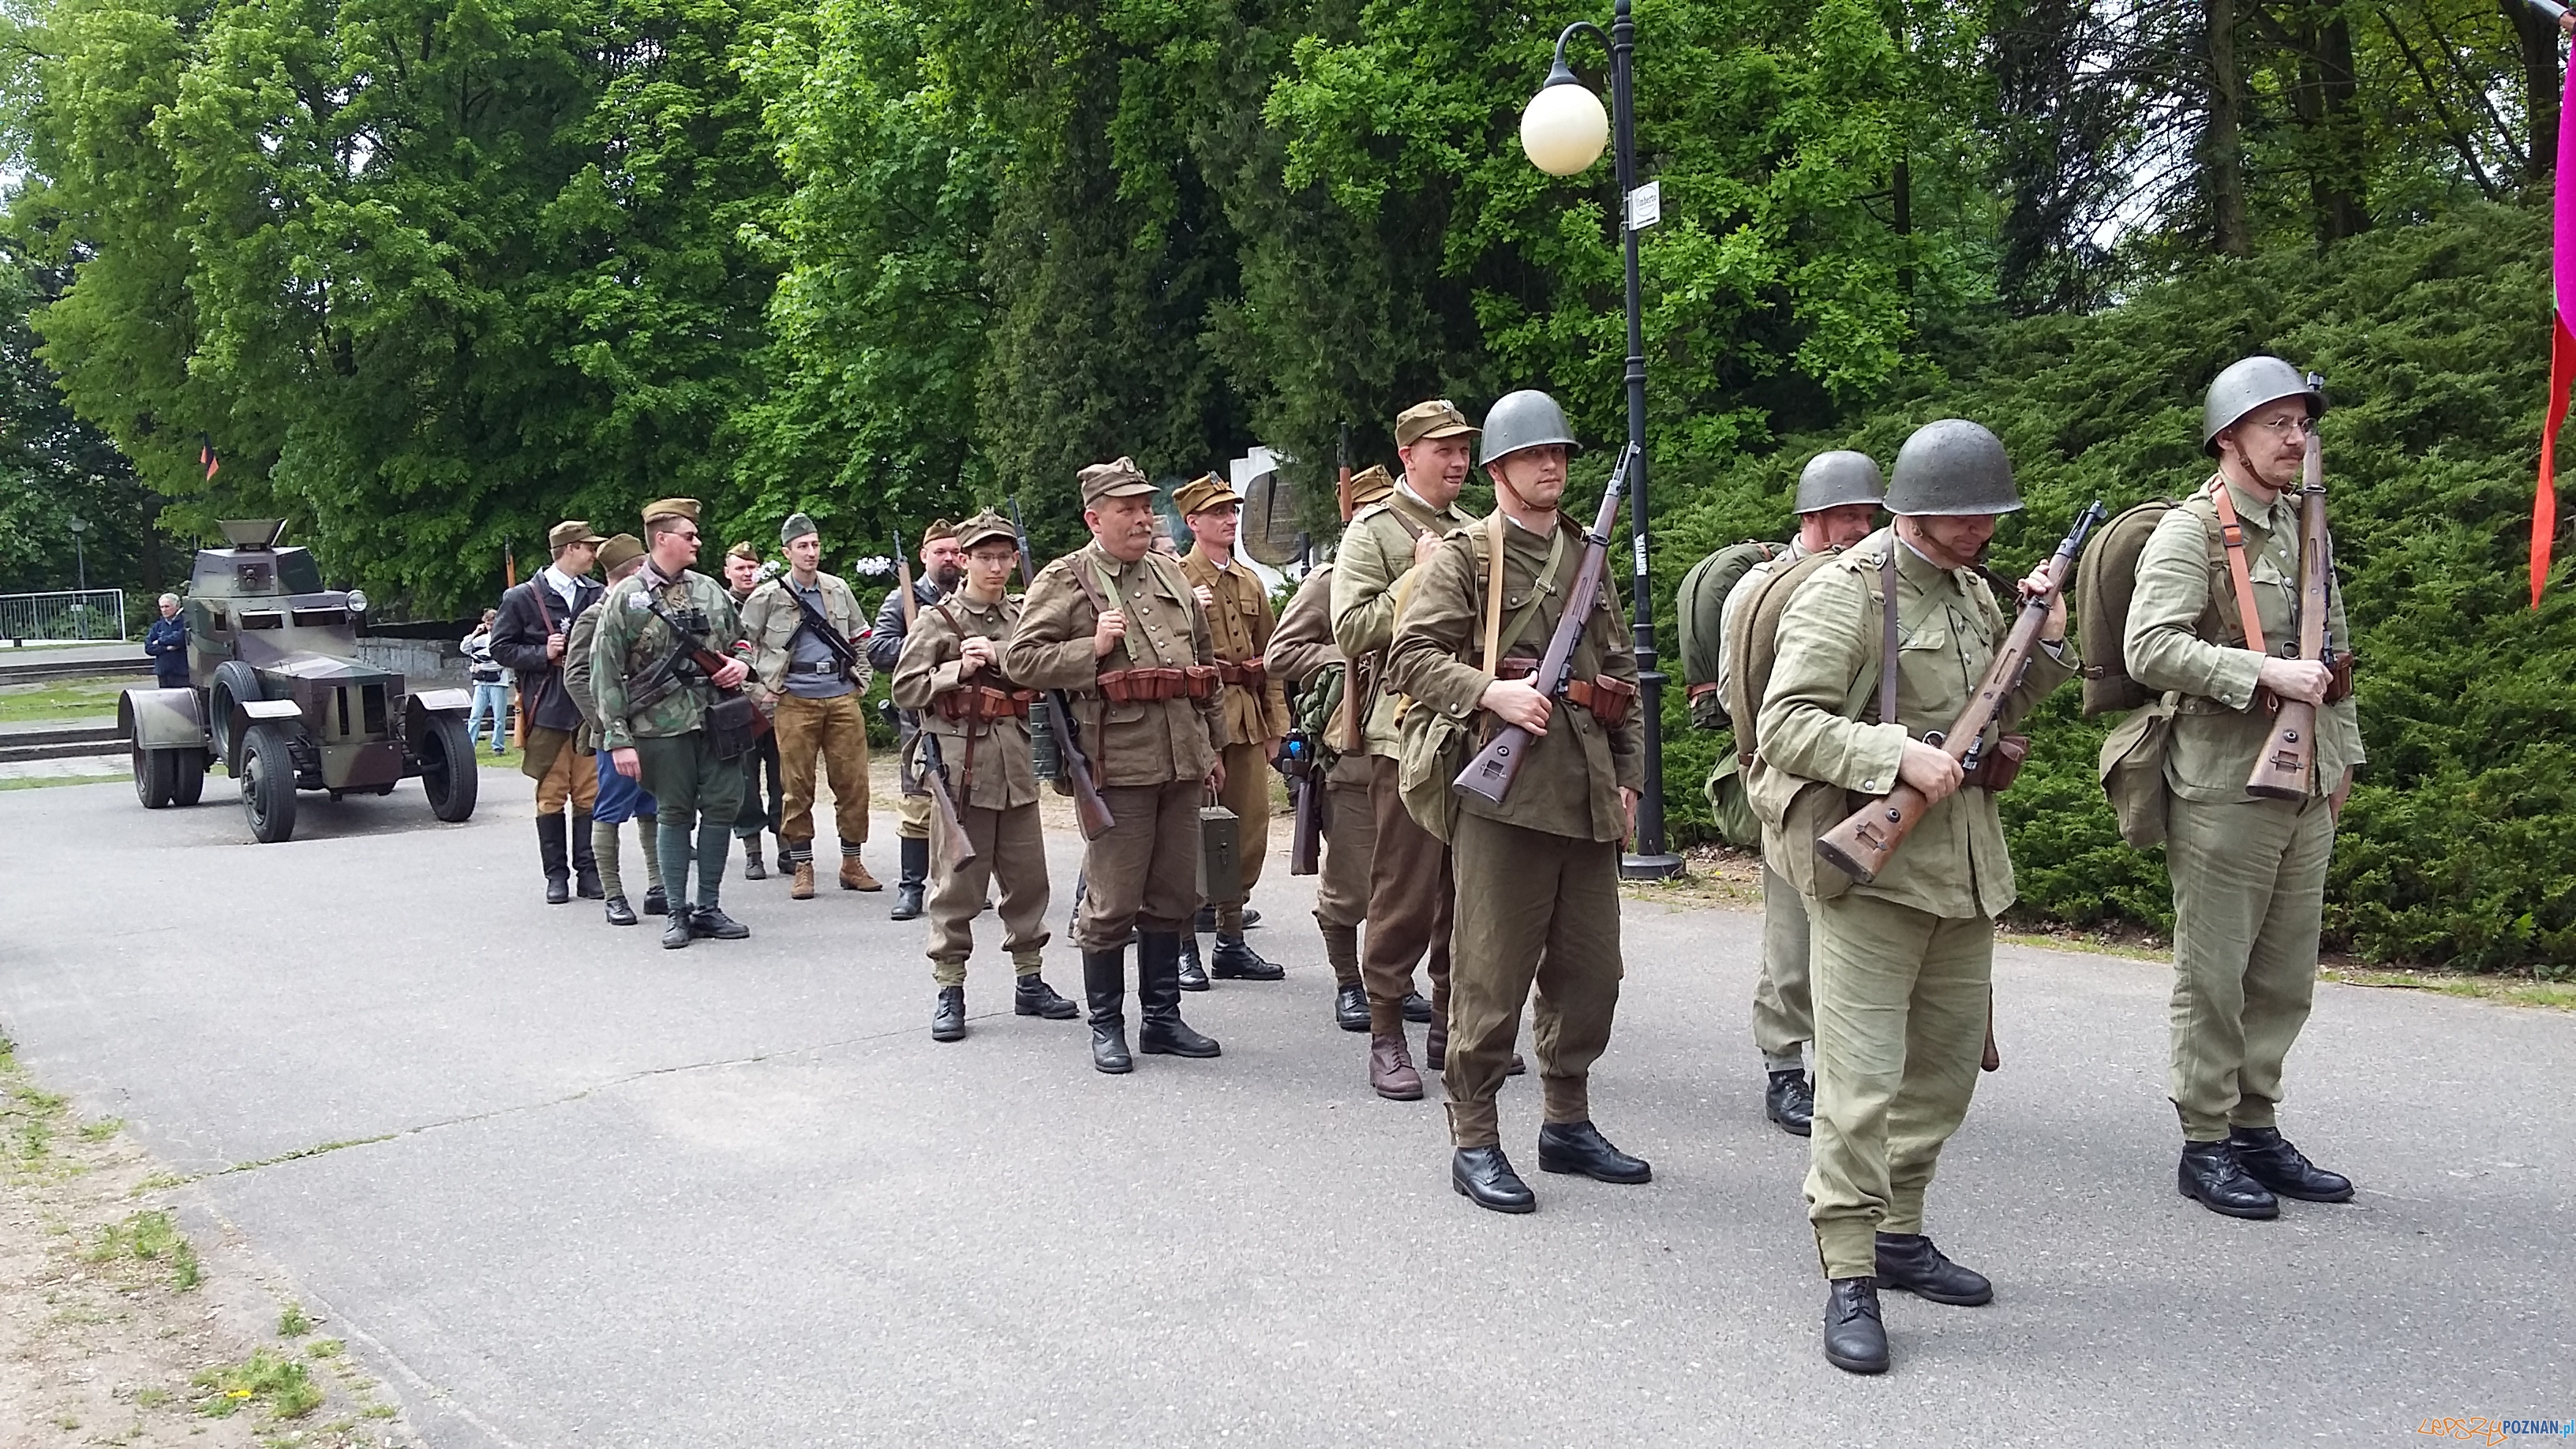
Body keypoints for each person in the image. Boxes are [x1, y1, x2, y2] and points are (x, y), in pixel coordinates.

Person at [1752, 418, 2077, 1375]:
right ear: (1921, 511)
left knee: (1940, 1075)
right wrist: (1895, 753)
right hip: (1875, 878)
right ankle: (1850, 1270)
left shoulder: (1980, 595)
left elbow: (2000, 712)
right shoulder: (1846, 594)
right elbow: (1786, 725)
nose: (1986, 529)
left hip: (1963, 870)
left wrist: (2046, 645)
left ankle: (1902, 1232)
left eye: (1992, 514)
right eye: (1971, 514)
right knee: (1858, 1088)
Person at [1387, 388, 1649, 1216]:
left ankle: (1566, 1121)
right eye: (1537, 455)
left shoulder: (1588, 555)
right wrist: (1488, 697)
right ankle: (1474, 1135)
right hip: (1504, 801)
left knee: (1591, 976)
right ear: (1498, 469)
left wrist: (1631, 778)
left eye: (1562, 455)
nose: (1553, 466)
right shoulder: (1468, 556)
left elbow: (1621, 679)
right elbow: (1410, 660)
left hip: (1585, 795)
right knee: (1490, 974)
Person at [2127, 358, 2364, 1221]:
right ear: (2230, 435)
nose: (2298, 439)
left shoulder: (2309, 523)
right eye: (2279, 425)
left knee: (2285, 973)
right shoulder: (2192, 532)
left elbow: (2334, 656)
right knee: (2215, 972)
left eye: (2304, 424)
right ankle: (2206, 1141)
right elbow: (2147, 647)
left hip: (2306, 779)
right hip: (2226, 781)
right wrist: (2258, 669)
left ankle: (2258, 1125)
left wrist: (2343, 763)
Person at [1001, 457, 1226, 1075]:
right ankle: (1107, 1024)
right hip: (1116, 763)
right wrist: (1091, 648)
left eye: (1145, 506)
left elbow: (1203, 667)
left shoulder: (1170, 573)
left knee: (1174, 894)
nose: (1140, 517)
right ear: (1094, 518)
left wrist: (1211, 747)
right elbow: (1021, 662)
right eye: (1126, 508)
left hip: (1181, 758)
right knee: (1113, 900)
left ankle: (1162, 1018)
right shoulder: (1066, 579)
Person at [1713, 452, 1885, 1136]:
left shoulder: (1877, 584)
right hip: (1795, 781)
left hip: (1871, 778)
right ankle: (1784, 1066)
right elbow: (1737, 695)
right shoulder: (1764, 589)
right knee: (1791, 940)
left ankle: (1856, 1068)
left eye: (1869, 515)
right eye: (1847, 515)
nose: (1860, 527)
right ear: (1812, 516)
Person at [1331, 399, 1481, 1099]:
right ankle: (1386, 1030)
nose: (1458, 461)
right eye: (1444, 450)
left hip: (1471, 727)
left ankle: (1450, 1025)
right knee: (1405, 889)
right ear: (1408, 458)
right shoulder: (1374, 529)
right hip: (1404, 735)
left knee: (1465, 888)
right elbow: (1353, 628)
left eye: (1464, 450)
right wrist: (1416, 576)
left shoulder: (1474, 530)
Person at [892, 510, 1080, 1040]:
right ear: (966, 560)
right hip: (961, 769)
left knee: (1028, 883)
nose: (997, 567)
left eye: (1005, 556)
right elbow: (905, 690)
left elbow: (1051, 667)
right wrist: (958, 671)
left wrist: (999, 655)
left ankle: (1030, 981)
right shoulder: (938, 621)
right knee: (957, 889)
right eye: (986, 557)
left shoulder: (1025, 617)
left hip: (1016, 764)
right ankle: (950, 990)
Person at [1261, 466, 1400, 1032]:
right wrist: (1346, 662)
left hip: (1414, 748)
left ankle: (1397, 982)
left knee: (1412, 883)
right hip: (1354, 754)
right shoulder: (1331, 579)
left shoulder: (1426, 571)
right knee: (1350, 883)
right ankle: (1349, 983)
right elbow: (1281, 653)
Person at [592, 499, 757, 950]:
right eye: (689, 535)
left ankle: (708, 906)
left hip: (716, 720)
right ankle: (677, 912)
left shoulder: (709, 590)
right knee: (674, 813)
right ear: (662, 539)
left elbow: (743, 640)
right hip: (658, 726)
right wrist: (618, 740)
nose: (697, 542)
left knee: (723, 806)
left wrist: (741, 667)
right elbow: (604, 672)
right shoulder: (627, 598)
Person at [1175, 474, 1291, 983]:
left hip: (1246, 720)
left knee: (1246, 834)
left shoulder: (1249, 581)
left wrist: (1275, 727)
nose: (1230, 519)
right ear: (1192, 522)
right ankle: (1182, 945)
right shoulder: (1175, 580)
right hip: (1200, 722)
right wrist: (1204, 744)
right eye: (1218, 512)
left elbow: (1270, 660)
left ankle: (1231, 940)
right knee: (1195, 839)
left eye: (1233, 511)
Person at [741, 514, 877, 900]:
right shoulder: (768, 596)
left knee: (853, 783)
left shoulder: (837, 589)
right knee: (795, 786)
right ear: (787, 552)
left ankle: (852, 862)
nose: (811, 552)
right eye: (802, 546)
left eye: (815, 545)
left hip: (839, 694)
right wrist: (760, 689)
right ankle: (802, 864)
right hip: (794, 698)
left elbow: (861, 637)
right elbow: (738, 644)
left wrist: (861, 680)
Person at [492, 520, 607, 904]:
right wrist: (543, 653)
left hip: (589, 707)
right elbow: (501, 649)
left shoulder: (598, 594)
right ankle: (556, 876)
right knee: (552, 794)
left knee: (590, 793)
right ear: (570, 549)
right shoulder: (522, 597)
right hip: (548, 707)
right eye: (588, 547)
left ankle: (589, 874)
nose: (594, 553)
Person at [564, 534, 664, 925]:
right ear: (634, 571)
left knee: (653, 807)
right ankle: (613, 895)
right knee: (609, 811)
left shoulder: (647, 611)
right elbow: (575, 677)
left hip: (652, 728)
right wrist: (609, 725)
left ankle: (658, 887)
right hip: (614, 733)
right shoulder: (594, 616)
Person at [870, 520, 964, 919]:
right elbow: (878, 650)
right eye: (940, 552)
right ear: (924, 556)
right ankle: (911, 887)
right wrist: (922, 643)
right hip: (921, 716)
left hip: (966, 715)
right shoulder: (903, 599)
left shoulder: (970, 596)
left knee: (966, 803)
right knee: (919, 806)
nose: (949, 559)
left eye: (954, 552)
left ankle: (961, 884)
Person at [724, 541, 789, 881]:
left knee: (784, 780)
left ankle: (786, 846)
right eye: (740, 569)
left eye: (753, 568)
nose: (748, 574)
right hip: (741, 708)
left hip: (779, 705)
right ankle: (752, 850)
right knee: (745, 782)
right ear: (728, 573)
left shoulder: (780, 600)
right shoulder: (720, 608)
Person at [462, 608, 510, 754]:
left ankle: (498, 747)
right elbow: (464, 648)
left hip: (498, 681)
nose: (491, 627)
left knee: (499, 717)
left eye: (493, 624)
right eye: (488, 624)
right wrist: (475, 632)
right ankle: (470, 745)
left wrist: (482, 666)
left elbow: (501, 661)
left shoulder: (503, 638)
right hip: (481, 682)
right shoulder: (481, 640)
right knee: (475, 715)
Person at [144, 593, 189, 689]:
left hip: (182, 672)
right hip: (163, 672)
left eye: (167, 606)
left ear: (177, 606)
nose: (164, 610)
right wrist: (167, 648)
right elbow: (149, 648)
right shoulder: (158, 626)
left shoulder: (185, 623)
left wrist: (159, 641)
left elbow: (180, 638)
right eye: (162, 607)